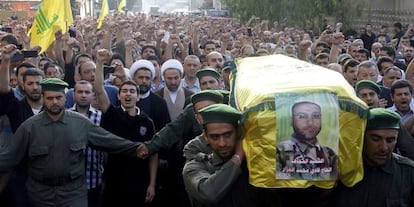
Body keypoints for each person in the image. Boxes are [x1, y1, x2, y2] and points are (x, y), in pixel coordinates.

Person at [0, 78, 145, 207]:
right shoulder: (29, 127)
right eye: (50, 98)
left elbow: (110, 141)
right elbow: (9, 157)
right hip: (40, 194)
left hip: (73, 193)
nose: (55, 102)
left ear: (65, 98)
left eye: (59, 97)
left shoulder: (81, 123)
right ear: (43, 98)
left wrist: (140, 147)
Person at [94, 49, 158, 207]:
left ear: (137, 96)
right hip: (114, 178)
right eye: (124, 91)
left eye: (132, 91)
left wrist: (152, 184)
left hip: (139, 180)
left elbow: (153, 155)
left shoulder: (146, 122)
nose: (128, 95)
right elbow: (99, 89)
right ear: (118, 95)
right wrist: (100, 62)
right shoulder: (112, 114)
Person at [333, 108, 414, 206]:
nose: (384, 148)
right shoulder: (344, 170)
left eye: (390, 140)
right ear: (362, 137)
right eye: (375, 139)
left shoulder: (408, 173)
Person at [182, 103, 256, 207]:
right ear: (206, 136)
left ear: (238, 132)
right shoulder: (195, 166)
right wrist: (238, 157)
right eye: (215, 137)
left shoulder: (252, 164)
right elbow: (208, 194)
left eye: (228, 135)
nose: (222, 143)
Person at [276, 101, 337, 180]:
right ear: (292, 121)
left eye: (316, 116)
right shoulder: (279, 151)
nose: (310, 122)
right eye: (302, 116)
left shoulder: (329, 153)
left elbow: (334, 182)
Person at [69, 80, 105, 207]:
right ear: (73, 94)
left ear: (93, 95)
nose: (83, 95)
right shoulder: (66, 116)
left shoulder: (101, 117)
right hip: (70, 181)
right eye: (80, 92)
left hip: (95, 178)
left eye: (87, 92)